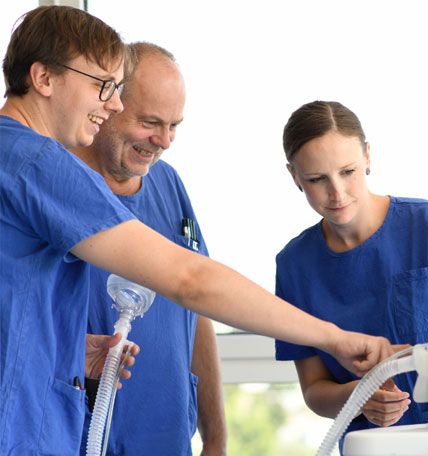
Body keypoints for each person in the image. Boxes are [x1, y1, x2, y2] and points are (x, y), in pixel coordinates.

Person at [0, 6, 393, 454]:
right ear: (44, 79)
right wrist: (334, 338)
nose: (111, 102)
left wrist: (65, 351)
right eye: (101, 86)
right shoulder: (39, 164)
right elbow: (191, 280)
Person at [274, 100, 428, 452]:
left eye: (348, 171)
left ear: (368, 156)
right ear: (294, 176)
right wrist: (358, 397)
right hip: (371, 445)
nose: (337, 193)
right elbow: (314, 390)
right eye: (316, 179)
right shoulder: (295, 265)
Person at [73, 42, 226, 455]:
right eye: (150, 122)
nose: (164, 141)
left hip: (168, 438)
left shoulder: (168, 184)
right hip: (83, 437)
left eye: (174, 125)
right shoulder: (60, 187)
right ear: (109, 102)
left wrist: (215, 439)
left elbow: (197, 311)